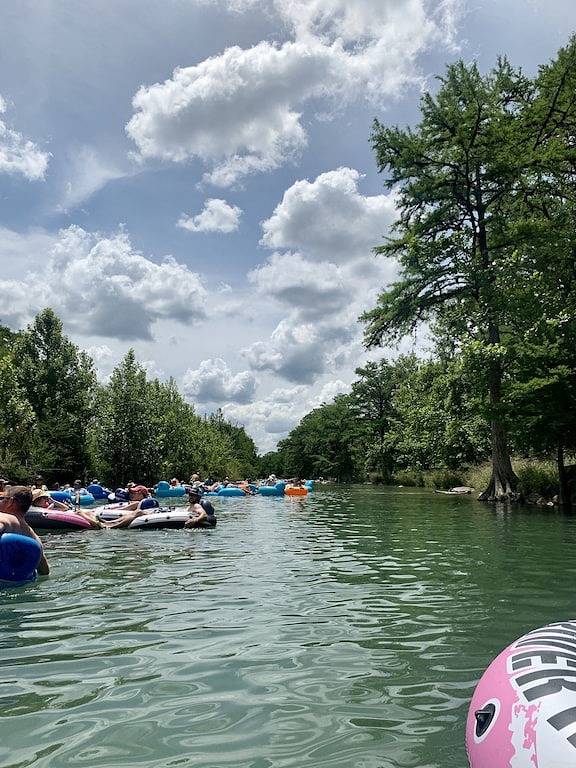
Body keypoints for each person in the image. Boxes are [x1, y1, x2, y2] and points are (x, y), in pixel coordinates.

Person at [0, 486, 49, 574]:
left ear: (11, 502)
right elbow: (45, 572)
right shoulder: (34, 538)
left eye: (1, 498)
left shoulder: (4, 518)